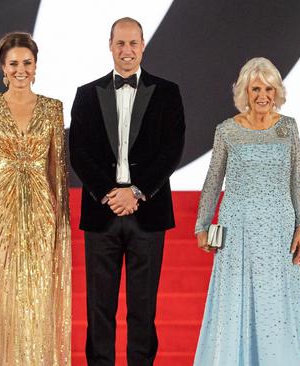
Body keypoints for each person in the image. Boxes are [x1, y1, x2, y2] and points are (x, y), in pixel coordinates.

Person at [69, 17, 185, 366]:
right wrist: (109, 191)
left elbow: (172, 150)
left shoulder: (167, 92)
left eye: (133, 43)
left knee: (143, 309)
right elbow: (78, 150)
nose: (127, 50)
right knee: (99, 309)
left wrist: (135, 192)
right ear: (110, 45)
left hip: (147, 212)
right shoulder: (87, 95)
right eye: (120, 43)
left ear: (143, 45)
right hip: (101, 213)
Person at [193, 57, 300, 365]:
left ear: (277, 91)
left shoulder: (288, 127)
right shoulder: (227, 131)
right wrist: (201, 226)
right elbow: (212, 180)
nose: (262, 96)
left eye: (268, 88)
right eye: (255, 88)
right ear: (244, 92)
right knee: (236, 301)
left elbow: (296, 179)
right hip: (237, 230)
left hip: (278, 231)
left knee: (276, 307)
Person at [0, 32, 71, 365]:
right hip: (0, 217)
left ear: (36, 67)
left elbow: (60, 175)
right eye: (14, 64)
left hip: (41, 215)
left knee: (38, 299)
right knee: (3, 302)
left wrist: (61, 228)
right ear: (3, 68)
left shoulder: (53, 109)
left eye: (27, 63)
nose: (20, 70)